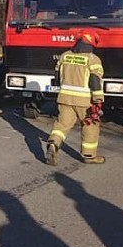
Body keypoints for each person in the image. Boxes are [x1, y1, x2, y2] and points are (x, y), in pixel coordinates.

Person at [45, 30, 105, 166]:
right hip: (84, 101)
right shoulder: (93, 59)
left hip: (64, 98)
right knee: (90, 125)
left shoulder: (64, 56)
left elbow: (57, 77)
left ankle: (53, 144)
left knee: (62, 125)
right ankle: (89, 156)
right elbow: (95, 80)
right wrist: (98, 98)